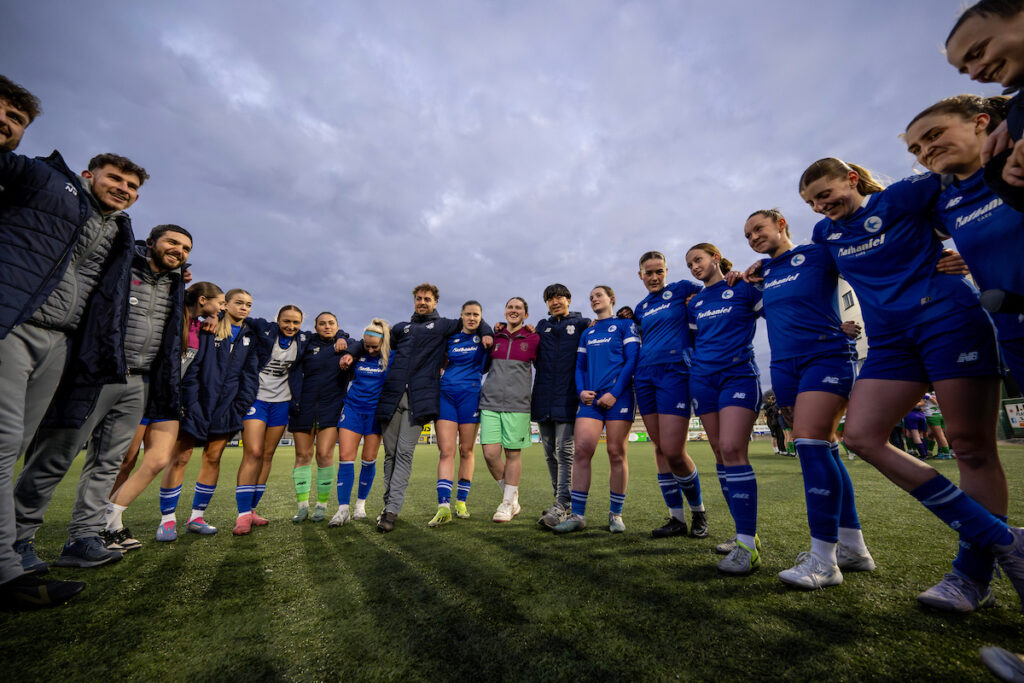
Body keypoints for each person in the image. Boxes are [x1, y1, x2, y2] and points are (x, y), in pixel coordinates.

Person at [799, 157, 1024, 612]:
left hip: (947, 319)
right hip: (889, 343)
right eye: (811, 202)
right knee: (861, 436)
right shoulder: (826, 234)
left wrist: (975, 255)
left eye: (825, 194)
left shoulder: (903, 195)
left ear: (852, 178)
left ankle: (971, 577)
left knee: (971, 446)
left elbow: (973, 201)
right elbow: (806, 272)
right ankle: (1005, 540)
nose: (820, 207)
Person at [13, 224, 189, 565]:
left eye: (185, 248)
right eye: (172, 242)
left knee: (108, 463)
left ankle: (83, 537)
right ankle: (17, 541)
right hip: (97, 374)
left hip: (139, 382)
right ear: (150, 242)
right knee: (55, 457)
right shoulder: (121, 266)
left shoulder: (175, 283)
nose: (179, 250)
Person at [743, 208, 873, 589]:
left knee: (812, 444)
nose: (753, 237)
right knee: (825, 448)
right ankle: (854, 547)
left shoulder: (818, 253)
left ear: (781, 224)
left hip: (826, 355)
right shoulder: (764, 274)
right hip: (784, 366)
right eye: (747, 234)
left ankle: (824, 561)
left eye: (759, 229)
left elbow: (867, 271)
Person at [0, 74, 91, 607]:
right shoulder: (33, 176)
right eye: (3, 112)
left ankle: (11, 562)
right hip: (13, 319)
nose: (7, 124)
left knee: (11, 447)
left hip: (49, 335)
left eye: (17, 119)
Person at [340, 284, 492, 532]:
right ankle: (387, 505)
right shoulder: (401, 328)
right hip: (391, 397)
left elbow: (473, 320)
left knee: (404, 453)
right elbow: (374, 339)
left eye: (428, 299)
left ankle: (391, 511)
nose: (422, 302)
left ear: (435, 302)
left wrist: (487, 332)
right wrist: (351, 350)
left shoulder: (443, 325)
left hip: (419, 401)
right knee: (389, 455)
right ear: (414, 301)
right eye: (419, 298)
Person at [905, 94, 1024, 386]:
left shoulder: (1017, 160)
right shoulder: (945, 202)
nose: (926, 151)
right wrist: (965, 260)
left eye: (934, 135)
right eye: (916, 149)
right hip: (1013, 331)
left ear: (980, 122)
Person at [101, 280, 223, 547]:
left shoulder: (199, 326)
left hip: (168, 401)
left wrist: (214, 315)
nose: (221, 309)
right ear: (202, 299)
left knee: (155, 461)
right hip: (144, 393)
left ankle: (107, 522)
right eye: (219, 303)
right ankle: (107, 526)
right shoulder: (173, 315)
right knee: (127, 461)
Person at [685, 243, 764, 575]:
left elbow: (782, 310)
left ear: (715, 259)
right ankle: (744, 535)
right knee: (720, 452)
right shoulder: (696, 303)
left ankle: (747, 546)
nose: (693, 267)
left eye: (698, 260)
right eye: (689, 264)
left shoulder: (743, 287)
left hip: (738, 376)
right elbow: (691, 344)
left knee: (733, 448)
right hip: (704, 381)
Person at [168, 288, 259, 536]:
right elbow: (193, 368)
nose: (244, 308)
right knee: (181, 458)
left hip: (228, 408)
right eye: (239, 303)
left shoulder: (251, 335)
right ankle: (166, 520)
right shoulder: (208, 328)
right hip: (196, 404)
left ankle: (197, 517)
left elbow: (250, 377)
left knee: (213, 458)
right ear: (225, 305)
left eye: (249, 305)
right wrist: (192, 401)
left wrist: (239, 406)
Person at [632, 251, 708, 538]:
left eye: (659, 271)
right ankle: (676, 518)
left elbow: (712, 290)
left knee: (675, 450)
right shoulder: (641, 307)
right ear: (640, 275)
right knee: (660, 449)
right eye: (648, 273)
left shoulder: (682, 289)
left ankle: (699, 512)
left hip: (675, 371)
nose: (654, 277)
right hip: (645, 375)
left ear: (667, 271)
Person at [553, 286, 639, 534]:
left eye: (598, 296)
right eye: (591, 297)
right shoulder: (588, 332)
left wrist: (615, 393)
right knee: (582, 450)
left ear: (611, 299)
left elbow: (632, 360)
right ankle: (578, 515)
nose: (594, 300)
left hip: (618, 397)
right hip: (590, 400)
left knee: (616, 451)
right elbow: (579, 367)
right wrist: (581, 391)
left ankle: (616, 514)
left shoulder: (624, 326)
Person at [233, 305, 313, 535]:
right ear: (278, 319)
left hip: (281, 402)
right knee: (253, 453)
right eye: (286, 321)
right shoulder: (264, 329)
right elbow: (238, 317)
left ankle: (252, 509)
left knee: (267, 455)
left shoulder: (304, 339)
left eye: (296, 322)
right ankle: (242, 515)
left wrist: (342, 338)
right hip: (256, 399)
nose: (291, 326)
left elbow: (331, 335)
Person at [945, 1, 1024, 208]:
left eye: (978, 53)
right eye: (965, 69)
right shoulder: (1015, 119)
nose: (974, 74)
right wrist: (1007, 174)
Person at [533, 284, 591, 529]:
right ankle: (560, 502)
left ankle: (562, 502)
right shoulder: (541, 326)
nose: (555, 302)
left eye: (559, 297)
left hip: (567, 397)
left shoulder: (581, 324)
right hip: (543, 396)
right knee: (549, 453)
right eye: (550, 299)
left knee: (565, 452)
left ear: (569, 300)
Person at [479, 297, 540, 523]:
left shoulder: (534, 338)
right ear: (505, 312)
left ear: (526, 314)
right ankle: (512, 493)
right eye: (510, 307)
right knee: (490, 454)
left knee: (512, 454)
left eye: (518, 308)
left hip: (518, 405)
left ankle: (507, 504)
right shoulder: (495, 337)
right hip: (490, 402)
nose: (513, 311)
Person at [288, 312, 351, 523]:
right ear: (315, 327)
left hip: (331, 408)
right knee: (303, 455)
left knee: (324, 455)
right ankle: (302, 507)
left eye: (331, 323)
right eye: (322, 324)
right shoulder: (307, 343)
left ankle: (321, 506)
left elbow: (357, 343)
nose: (327, 327)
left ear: (338, 325)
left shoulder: (346, 344)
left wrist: (342, 337)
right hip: (304, 406)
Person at [429, 301, 488, 526]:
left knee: (467, 450)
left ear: (481, 318)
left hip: (470, 396)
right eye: (468, 314)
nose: (472, 318)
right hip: (446, 395)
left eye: (476, 315)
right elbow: (441, 362)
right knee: (446, 450)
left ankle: (461, 502)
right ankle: (443, 507)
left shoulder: (483, 339)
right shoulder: (450, 339)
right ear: (461, 316)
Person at [330, 319, 391, 526]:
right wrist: (352, 353)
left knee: (369, 458)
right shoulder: (358, 354)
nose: (371, 349)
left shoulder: (391, 358)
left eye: (375, 346)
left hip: (375, 414)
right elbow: (348, 340)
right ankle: (342, 509)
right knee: (346, 458)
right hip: (353, 409)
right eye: (367, 345)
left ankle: (360, 506)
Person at [922, 394, 952, 460]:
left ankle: (947, 453)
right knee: (935, 435)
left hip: (932, 416)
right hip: (940, 415)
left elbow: (925, 403)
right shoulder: (936, 391)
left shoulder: (926, 394)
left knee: (940, 435)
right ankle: (940, 452)